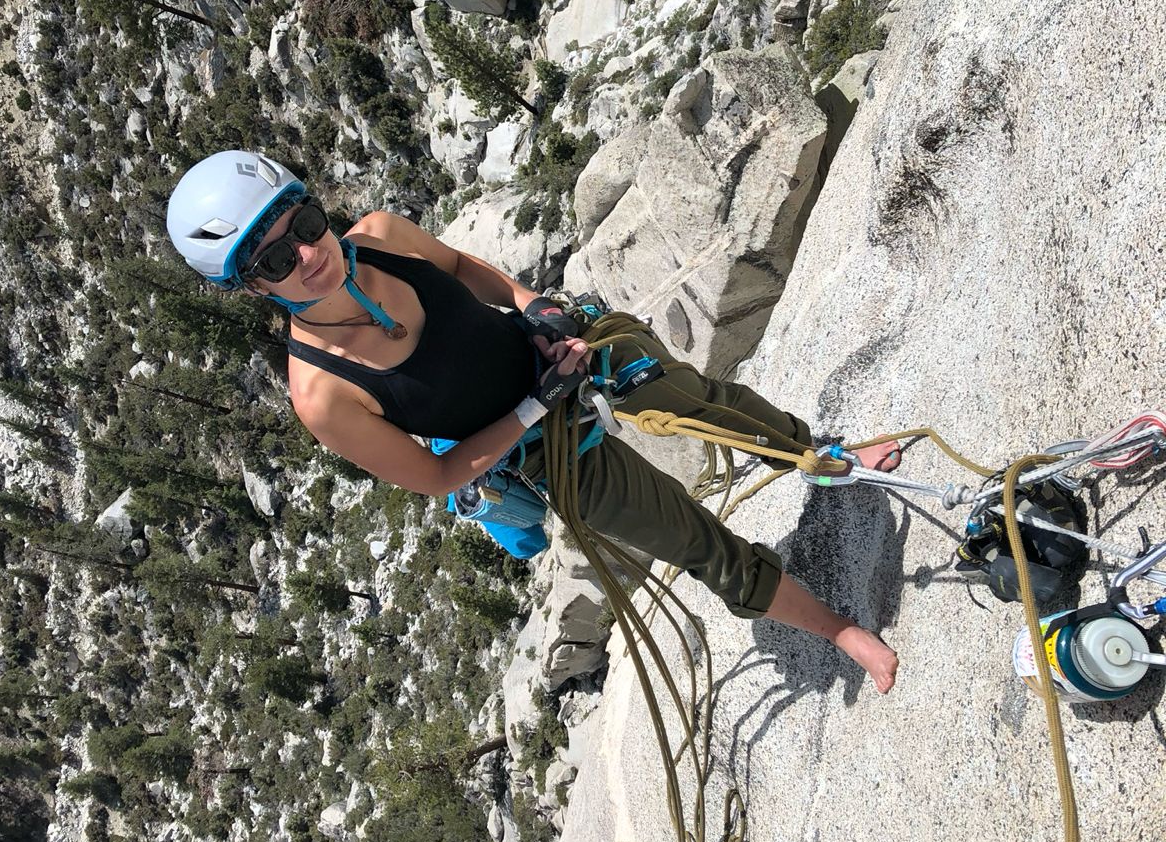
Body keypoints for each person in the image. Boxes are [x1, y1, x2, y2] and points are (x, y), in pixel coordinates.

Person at [167, 151, 899, 693]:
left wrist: (532, 306)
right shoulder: (322, 395)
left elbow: (459, 269)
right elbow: (439, 474)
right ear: (247, 287)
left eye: (302, 222)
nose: (305, 253)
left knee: (696, 403)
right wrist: (534, 406)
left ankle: (826, 456)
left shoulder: (383, 234)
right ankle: (838, 630)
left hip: (562, 350)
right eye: (271, 261)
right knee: (687, 537)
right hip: (536, 445)